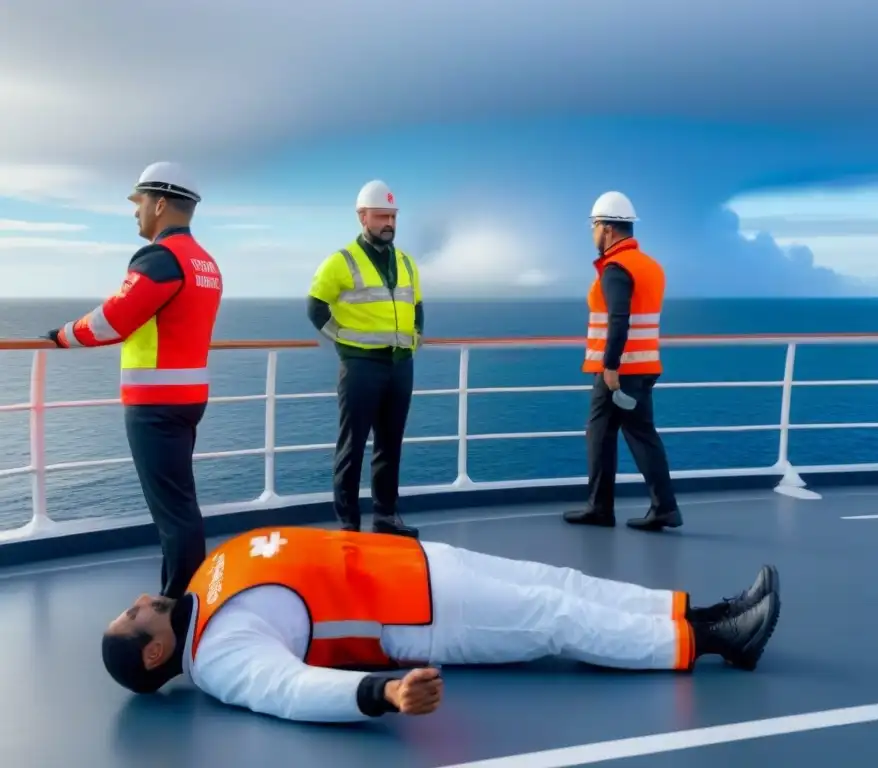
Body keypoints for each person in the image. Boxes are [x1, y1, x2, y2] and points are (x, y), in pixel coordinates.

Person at [100, 525, 781, 722]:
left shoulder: (199, 586)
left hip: (421, 562)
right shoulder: (219, 656)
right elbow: (287, 690)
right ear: (157, 654)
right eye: (134, 617)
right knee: (556, 619)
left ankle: (699, 611)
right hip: (426, 615)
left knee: (562, 584)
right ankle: (719, 640)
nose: (137, 599)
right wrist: (381, 692)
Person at [45, 162, 223, 599]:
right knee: (180, 505)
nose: (136, 212)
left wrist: (62, 336)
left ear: (160, 203)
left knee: (174, 513)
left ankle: (182, 610)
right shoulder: (206, 262)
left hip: (156, 405)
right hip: (187, 397)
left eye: (139, 202)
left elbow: (114, 319)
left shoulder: (161, 258)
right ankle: (183, 598)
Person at [306, 180, 423, 538]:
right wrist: (345, 341)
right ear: (362, 217)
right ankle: (348, 523)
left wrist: (415, 338)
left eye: (393, 216)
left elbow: (416, 306)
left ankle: (386, 515)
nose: (389, 222)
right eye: (381, 216)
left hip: (400, 365)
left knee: (390, 444)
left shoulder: (405, 261)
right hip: (361, 368)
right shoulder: (341, 262)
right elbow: (316, 307)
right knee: (352, 446)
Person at [564, 191, 683, 532]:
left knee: (600, 435)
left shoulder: (616, 268)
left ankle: (601, 509)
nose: (592, 234)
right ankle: (664, 507)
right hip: (645, 366)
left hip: (619, 371)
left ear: (607, 229)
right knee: (640, 436)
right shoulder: (651, 266)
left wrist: (611, 367)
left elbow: (619, 319)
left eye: (593, 227)